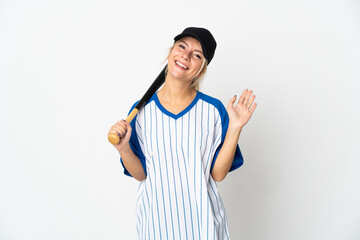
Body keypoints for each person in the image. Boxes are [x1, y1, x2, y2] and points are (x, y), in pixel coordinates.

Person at [108, 27, 257, 240]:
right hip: (156, 225)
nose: (185, 56)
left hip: (203, 225)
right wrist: (123, 149)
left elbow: (218, 174)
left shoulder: (213, 110)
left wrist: (235, 127)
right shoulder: (140, 111)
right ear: (170, 52)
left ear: (201, 70)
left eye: (197, 55)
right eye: (182, 46)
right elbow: (140, 174)